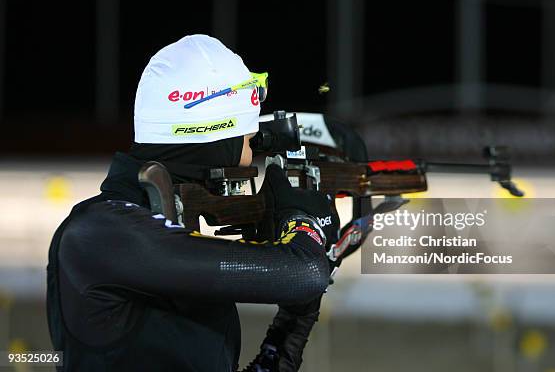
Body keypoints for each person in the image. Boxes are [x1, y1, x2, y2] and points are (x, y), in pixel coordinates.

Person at [46, 35, 339, 371]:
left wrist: (294, 321)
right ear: (216, 141)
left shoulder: (157, 240)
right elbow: (304, 273)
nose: (250, 157)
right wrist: (304, 226)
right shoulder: (99, 234)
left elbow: (305, 276)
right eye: (246, 139)